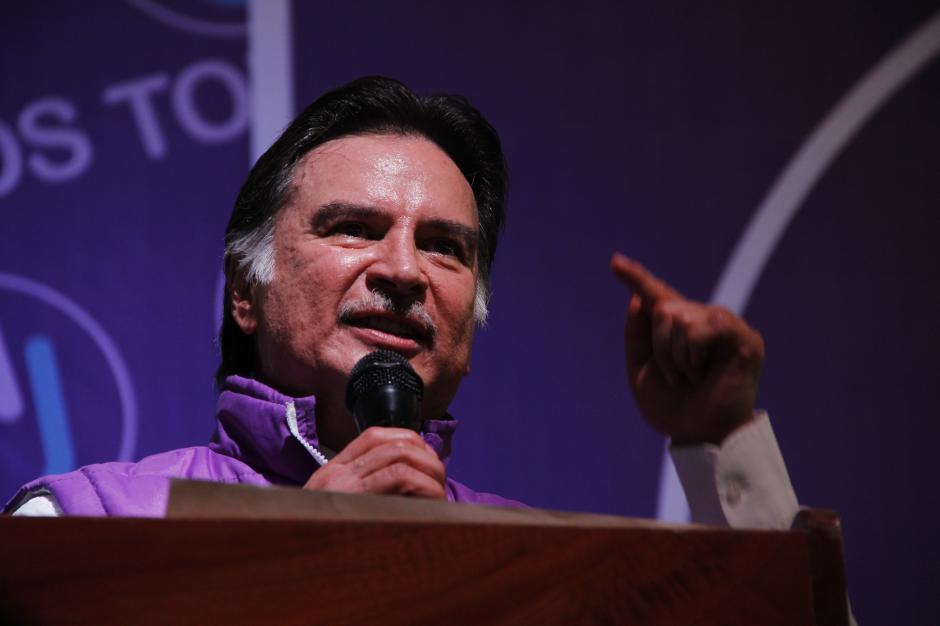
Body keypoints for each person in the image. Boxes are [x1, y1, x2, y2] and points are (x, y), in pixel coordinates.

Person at [4, 77, 798, 528]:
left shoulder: (537, 557)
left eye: (446, 246)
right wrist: (295, 565)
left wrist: (720, 442)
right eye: (354, 228)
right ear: (244, 290)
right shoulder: (83, 521)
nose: (405, 270)